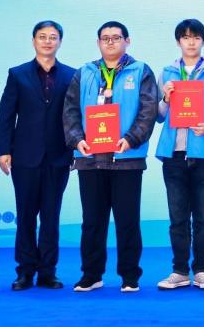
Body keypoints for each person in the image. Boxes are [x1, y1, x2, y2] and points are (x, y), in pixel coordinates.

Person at [62, 21, 158, 293]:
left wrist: (131, 139)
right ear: (98, 43)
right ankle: (91, 275)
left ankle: (129, 276)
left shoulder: (141, 71)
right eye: (105, 38)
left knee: (127, 221)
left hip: (127, 159)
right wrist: (77, 140)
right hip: (90, 158)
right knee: (92, 221)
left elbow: (148, 110)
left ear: (127, 41)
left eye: (116, 37)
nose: (111, 42)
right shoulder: (85, 72)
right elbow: (70, 111)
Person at [0, 20, 76, 291]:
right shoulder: (17, 74)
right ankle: (24, 271)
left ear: (60, 42)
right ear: (34, 41)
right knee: (26, 216)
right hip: (24, 157)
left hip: (59, 156)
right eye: (42, 36)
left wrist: (75, 149)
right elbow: (7, 115)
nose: (47, 41)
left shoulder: (71, 75)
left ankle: (48, 272)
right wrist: (4, 150)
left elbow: (75, 117)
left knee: (51, 218)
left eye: (53, 37)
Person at [153, 19, 204, 291]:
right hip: (174, 154)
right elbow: (158, 116)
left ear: (202, 41)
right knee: (177, 218)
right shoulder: (167, 72)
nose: (191, 42)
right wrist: (165, 98)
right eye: (186, 37)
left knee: (203, 218)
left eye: (196, 37)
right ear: (178, 41)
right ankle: (179, 271)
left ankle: (201, 270)